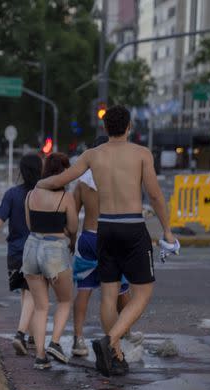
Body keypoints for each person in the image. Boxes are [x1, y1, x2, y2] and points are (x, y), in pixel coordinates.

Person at [36, 105, 178, 377]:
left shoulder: (92, 155)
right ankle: (111, 340)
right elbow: (156, 196)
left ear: (105, 128)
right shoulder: (141, 154)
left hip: (105, 229)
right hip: (132, 227)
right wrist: (168, 231)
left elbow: (64, 178)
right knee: (143, 293)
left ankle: (116, 356)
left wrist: (39, 185)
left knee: (109, 294)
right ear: (129, 127)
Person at [71, 136, 142, 358]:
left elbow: (73, 213)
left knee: (84, 289)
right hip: (112, 237)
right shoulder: (118, 177)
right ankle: (124, 332)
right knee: (121, 289)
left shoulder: (82, 181)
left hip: (88, 237)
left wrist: (72, 241)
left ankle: (78, 338)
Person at [0, 154, 43, 355]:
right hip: (36, 251)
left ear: (21, 172)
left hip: (14, 253)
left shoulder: (12, 194)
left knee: (25, 292)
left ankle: (31, 336)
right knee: (32, 293)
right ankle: (21, 334)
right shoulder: (42, 194)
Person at [22, 153, 78, 370]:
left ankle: (40, 356)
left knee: (40, 306)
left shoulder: (30, 195)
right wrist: (70, 238)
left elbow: (29, 224)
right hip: (54, 249)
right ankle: (54, 342)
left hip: (31, 248)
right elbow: (73, 227)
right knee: (65, 301)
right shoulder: (66, 198)